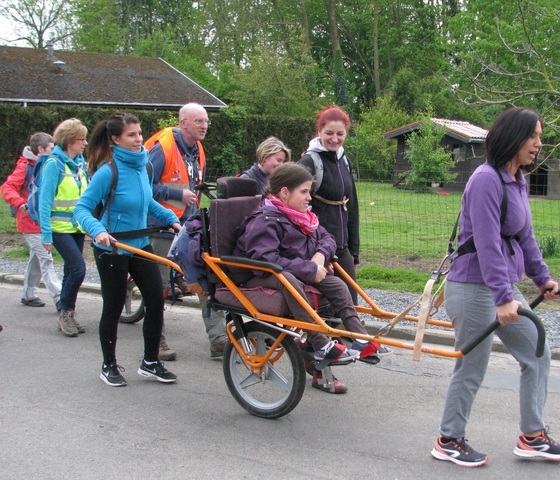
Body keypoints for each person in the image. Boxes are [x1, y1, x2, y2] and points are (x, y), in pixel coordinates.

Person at [430, 107, 560, 467]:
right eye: (534, 136)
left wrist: (542, 278)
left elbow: (525, 235)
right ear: (513, 137)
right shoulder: (485, 180)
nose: (539, 144)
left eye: (540, 137)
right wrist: (503, 297)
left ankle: (532, 436)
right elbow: (488, 243)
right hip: (473, 286)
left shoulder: (517, 179)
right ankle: (448, 439)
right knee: (472, 367)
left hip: (499, 286)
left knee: (537, 355)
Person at [233, 163, 391, 394]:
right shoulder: (266, 219)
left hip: (296, 270)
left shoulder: (303, 217)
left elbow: (327, 238)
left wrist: (318, 257)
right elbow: (265, 258)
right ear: (285, 193)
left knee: (336, 283)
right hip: (260, 275)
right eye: (304, 192)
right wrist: (309, 269)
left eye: (309, 191)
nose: (309, 197)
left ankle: (359, 337)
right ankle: (320, 344)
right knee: (289, 279)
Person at [75, 112, 181, 387]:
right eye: (131, 135)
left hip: (139, 245)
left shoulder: (143, 166)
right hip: (112, 247)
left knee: (156, 301)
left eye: (139, 133)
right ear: (115, 139)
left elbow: (147, 203)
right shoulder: (107, 172)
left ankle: (150, 362)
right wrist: (98, 231)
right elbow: (82, 209)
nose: (139, 139)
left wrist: (171, 218)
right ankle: (108, 364)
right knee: (112, 306)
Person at [145, 103, 227, 361]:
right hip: (159, 226)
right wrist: (176, 194)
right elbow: (144, 188)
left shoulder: (196, 149)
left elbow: (195, 184)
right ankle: (156, 341)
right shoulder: (161, 150)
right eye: (198, 121)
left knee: (205, 278)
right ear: (182, 123)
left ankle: (219, 340)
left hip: (188, 227)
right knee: (156, 286)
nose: (204, 126)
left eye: (205, 121)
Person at [298, 105, 360, 304]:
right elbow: (294, 204)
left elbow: (352, 206)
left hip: (341, 247)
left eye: (340, 134)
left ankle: (349, 335)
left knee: (350, 302)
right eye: (329, 133)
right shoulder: (309, 162)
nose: (335, 139)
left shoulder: (344, 161)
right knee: (325, 305)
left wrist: (354, 250)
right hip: (318, 247)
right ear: (319, 132)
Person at [38, 118, 89, 337]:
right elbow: (45, 201)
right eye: (81, 139)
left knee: (71, 270)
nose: (85, 143)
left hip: (76, 227)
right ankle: (64, 313)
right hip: (59, 227)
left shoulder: (80, 163)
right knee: (79, 269)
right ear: (69, 141)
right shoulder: (53, 164)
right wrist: (46, 234)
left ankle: (68, 312)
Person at [2, 132, 62, 310]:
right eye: (51, 149)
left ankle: (28, 294)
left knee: (37, 259)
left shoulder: (47, 165)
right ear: (40, 149)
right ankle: (60, 299)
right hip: (29, 222)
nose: (54, 152)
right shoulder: (25, 167)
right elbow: (7, 187)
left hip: (40, 221)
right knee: (46, 258)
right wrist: (20, 203)